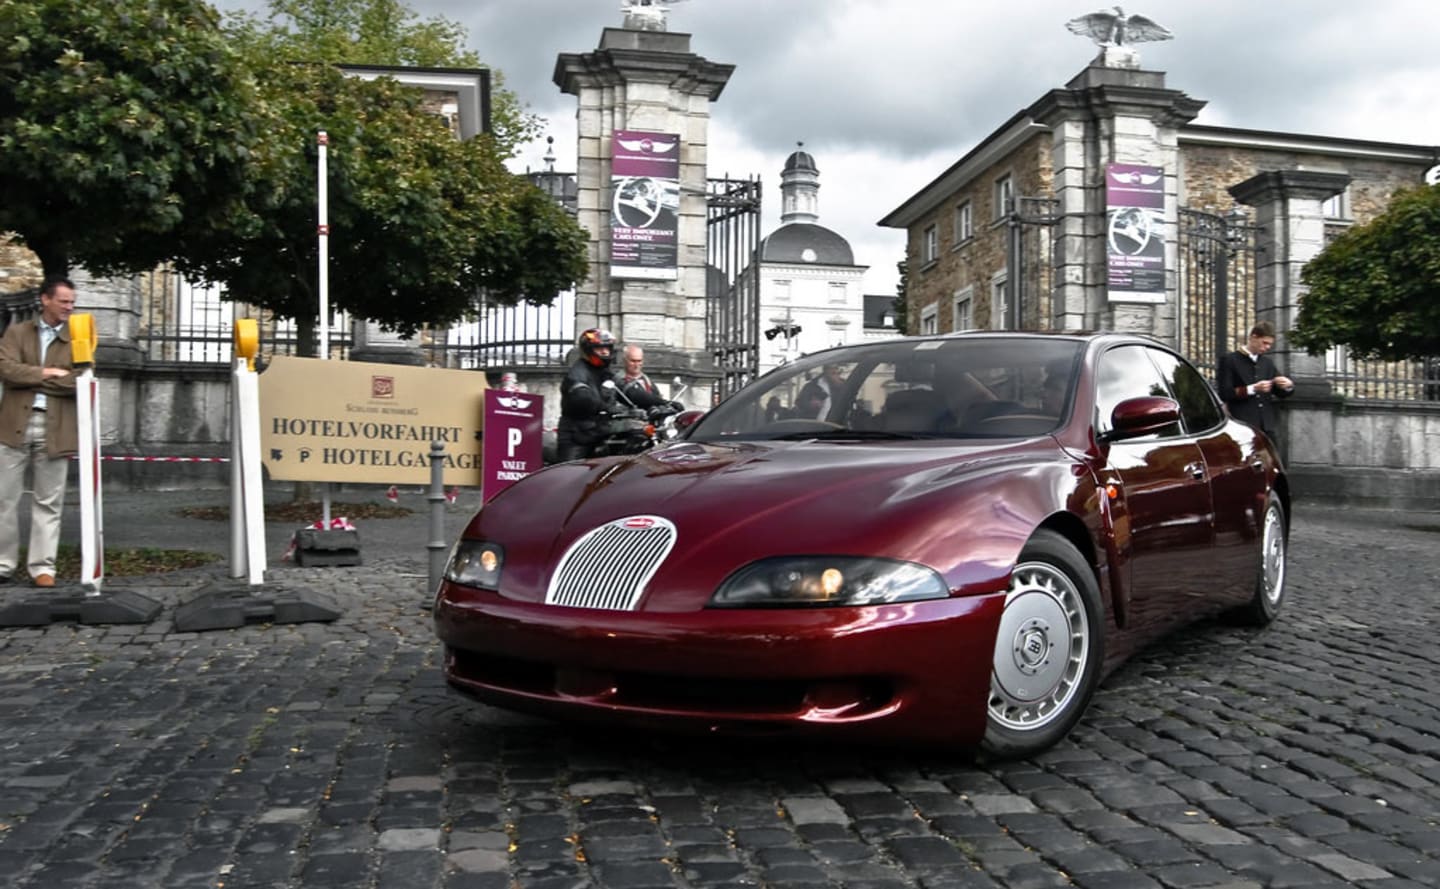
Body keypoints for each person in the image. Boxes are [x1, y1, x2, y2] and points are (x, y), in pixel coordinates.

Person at [0, 277, 79, 587]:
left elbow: (78, 381)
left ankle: (43, 567)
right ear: (45, 300)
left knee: (49, 501)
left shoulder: (78, 338)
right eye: (64, 301)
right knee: (4, 498)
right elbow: (6, 370)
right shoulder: (17, 332)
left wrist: (29, 378)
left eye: (72, 302)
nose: (69, 307)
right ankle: (3, 564)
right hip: (13, 424)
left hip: (56, 427)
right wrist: (48, 373)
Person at [1216, 320, 1294, 442]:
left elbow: (1279, 392)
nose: (1267, 347)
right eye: (1265, 343)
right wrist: (1253, 389)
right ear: (1253, 337)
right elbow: (1224, 393)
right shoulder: (1229, 360)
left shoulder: (1267, 363)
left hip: (1267, 428)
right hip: (1241, 426)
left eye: (1270, 344)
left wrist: (1287, 385)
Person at [555, 328, 622, 462]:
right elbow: (583, 397)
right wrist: (605, 406)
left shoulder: (605, 371)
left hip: (599, 432)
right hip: (577, 436)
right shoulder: (577, 373)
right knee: (570, 472)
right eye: (599, 348)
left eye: (607, 348)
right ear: (588, 350)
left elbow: (625, 388)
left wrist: (660, 403)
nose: (605, 352)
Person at [616, 344, 683, 412]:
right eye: (633, 361)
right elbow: (637, 396)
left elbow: (657, 397)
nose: (636, 365)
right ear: (624, 361)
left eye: (639, 361)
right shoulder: (619, 379)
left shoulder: (647, 380)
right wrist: (666, 403)